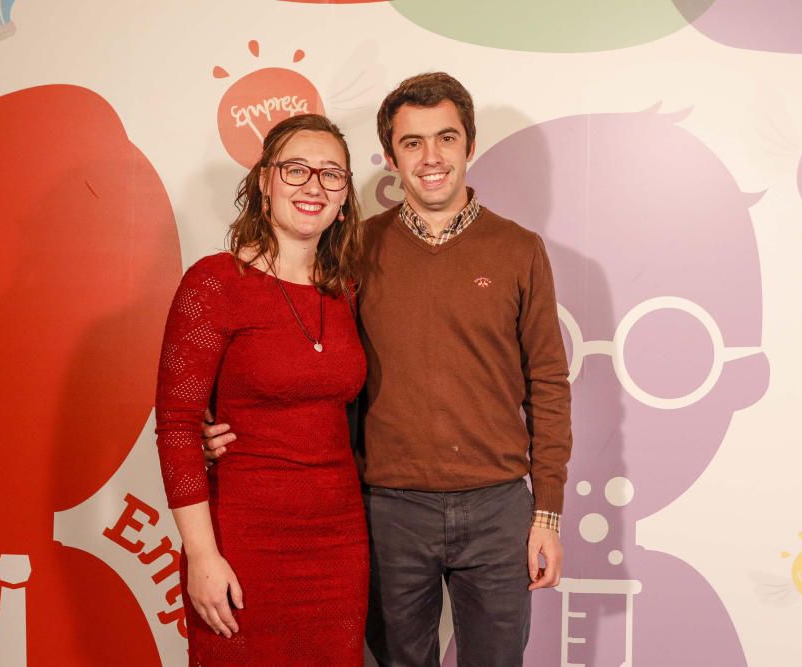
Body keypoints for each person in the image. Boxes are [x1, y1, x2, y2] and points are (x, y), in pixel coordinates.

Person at [205, 72, 573, 667]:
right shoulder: (351, 251)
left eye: (446, 139)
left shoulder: (518, 249)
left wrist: (547, 513)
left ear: (469, 146)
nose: (431, 158)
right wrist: (216, 415)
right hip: (387, 511)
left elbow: (549, 386)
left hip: (498, 508)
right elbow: (300, 351)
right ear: (390, 156)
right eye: (412, 142)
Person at [155, 113, 368, 665]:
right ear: (264, 183)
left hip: (340, 544)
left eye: (331, 175)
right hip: (243, 540)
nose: (313, 187)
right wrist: (201, 555)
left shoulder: (347, 291)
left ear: (344, 198)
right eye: (295, 170)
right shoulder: (215, 283)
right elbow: (177, 428)